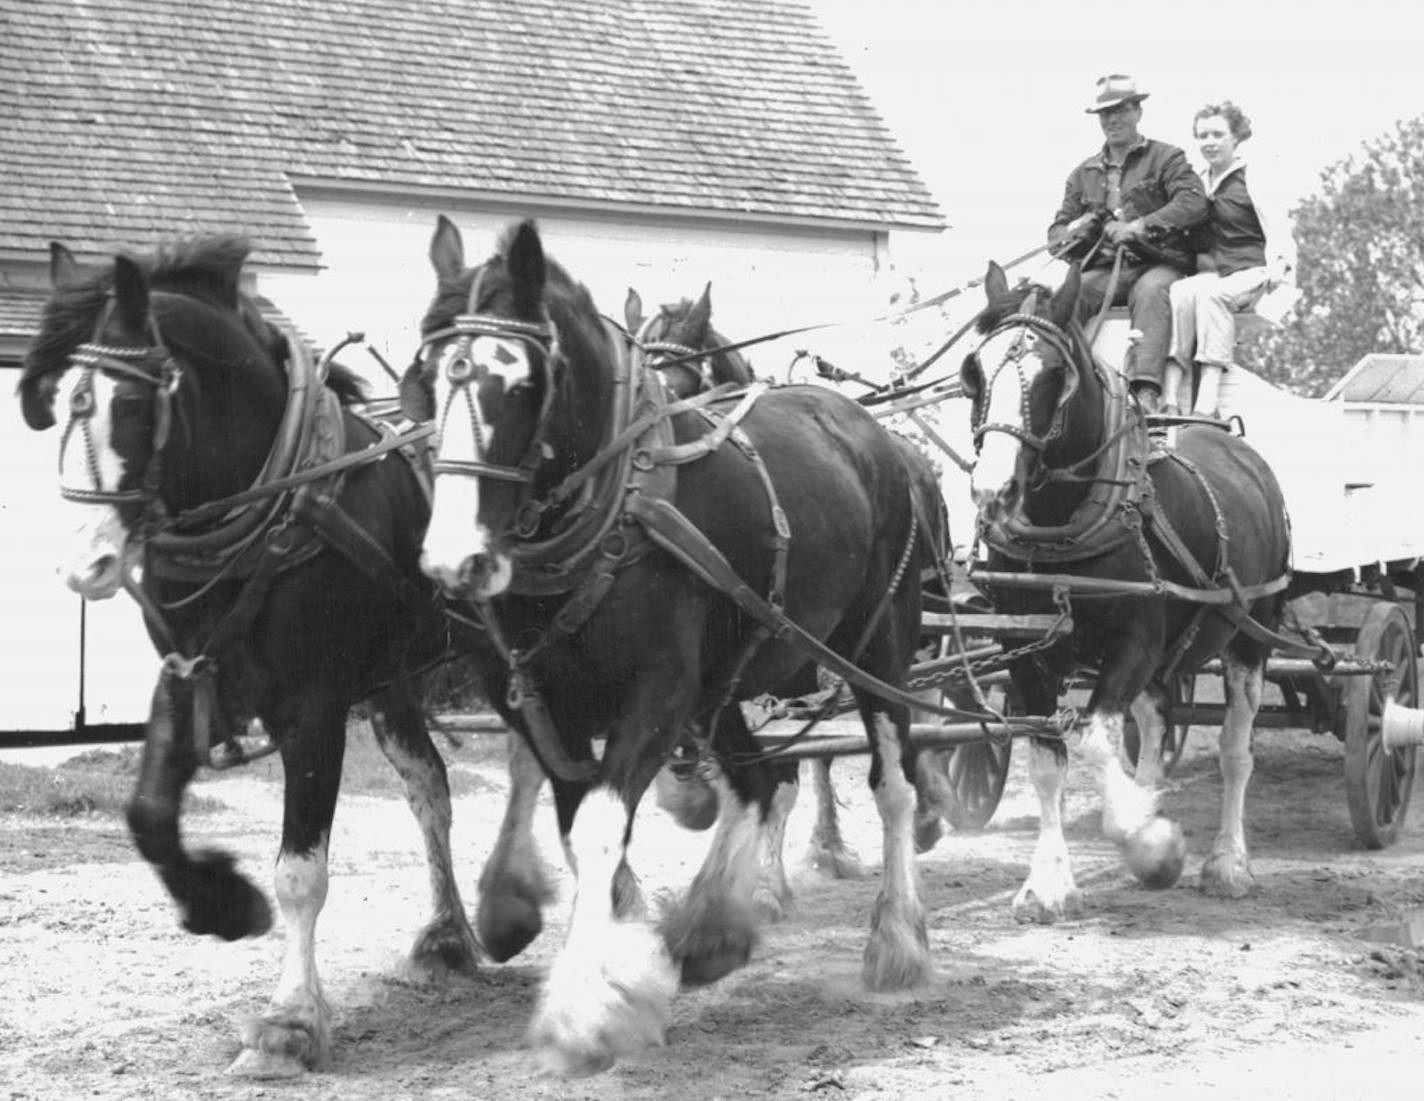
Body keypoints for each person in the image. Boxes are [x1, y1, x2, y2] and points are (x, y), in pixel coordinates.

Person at [1047, 74, 1208, 414]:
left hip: (1158, 262)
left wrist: (1139, 226)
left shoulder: (1167, 158)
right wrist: (1080, 228)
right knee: (1068, 296)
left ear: (1138, 111)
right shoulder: (1083, 174)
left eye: (1121, 110)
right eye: (1106, 114)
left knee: (1152, 291)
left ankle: (1145, 393)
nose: (1113, 120)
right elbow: (1056, 236)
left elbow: (1194, 203)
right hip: (1108, 271)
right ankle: (1064, 386)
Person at [1163, 101, 1296, 417]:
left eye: (1218, 134)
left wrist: (1280, 265)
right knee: (1179, 294)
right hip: (1216, 271)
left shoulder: (1252, 177)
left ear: (1235, 137)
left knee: (1212, 296)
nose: (1210, 142)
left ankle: (1207, 404)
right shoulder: (1199, 180)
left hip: (1253, 270)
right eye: (1203, 135)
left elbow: (1278, 226)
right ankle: (1170, 397)